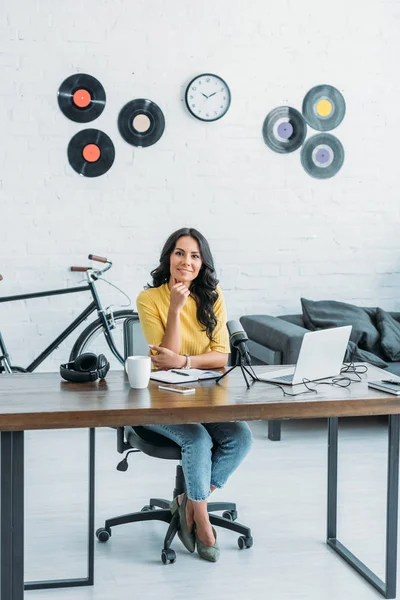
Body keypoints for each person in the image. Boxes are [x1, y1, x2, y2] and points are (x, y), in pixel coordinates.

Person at [136, 227, 252, 562]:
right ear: (168, 257)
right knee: (198, 440)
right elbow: (162, 362)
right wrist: (174, 308)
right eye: (180, 253)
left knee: (241, 438)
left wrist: (184, 361)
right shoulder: (150, 299)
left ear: (203, 263)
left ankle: (189, 501)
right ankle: (201, 521)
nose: (187, 261)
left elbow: (221, 355)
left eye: (195, 255)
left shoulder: (213, 296)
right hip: (159, 403)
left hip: (203, 398)